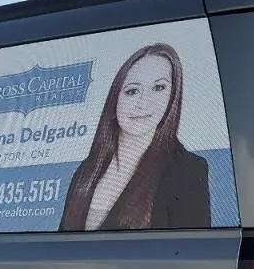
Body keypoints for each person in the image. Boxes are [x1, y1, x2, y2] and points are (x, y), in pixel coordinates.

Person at [59, 42, 211, 231]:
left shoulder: (187, 169)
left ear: (172, 97)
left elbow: (190, 254)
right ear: (115, 100)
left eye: (158, 88)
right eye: (132, 91)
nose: (143, 103)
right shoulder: (86, 170)